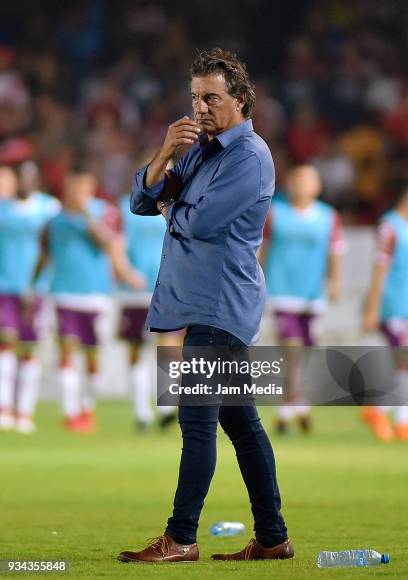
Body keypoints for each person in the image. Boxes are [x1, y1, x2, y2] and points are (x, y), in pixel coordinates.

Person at [118, 48, 293, 563]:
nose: (200, 107)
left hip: (222, 305)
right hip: (205, 304)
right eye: (195, 98)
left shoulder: (250, 156)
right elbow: (141, 201)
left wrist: (171, 199)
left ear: (239, 98)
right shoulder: (200, 147)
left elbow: (198, 222)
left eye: (211, 97)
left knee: (196, 423)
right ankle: (273, 538)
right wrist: (163, 153)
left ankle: (182, 537)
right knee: (241, 424)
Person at [35, 162, 142, 433]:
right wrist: (33, 285)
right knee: (67, 349)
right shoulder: (54, 221)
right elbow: (45, 254)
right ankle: (70, 412)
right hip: (63, 293)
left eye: (83, 187)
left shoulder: (104, 213)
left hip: (96, 295)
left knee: (93, 356)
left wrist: (85, 216)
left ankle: (87, 406)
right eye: (73, 187)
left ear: (91, 188)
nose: (78, 192)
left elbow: (108, 243)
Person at [259, 165, 343, 433]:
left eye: (308, 180)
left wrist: (334, 281)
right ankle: (287, 410)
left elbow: (335, 252)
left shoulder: (328, 217)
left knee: (305, 351)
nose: (302, 185)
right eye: (298, 179)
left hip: (312, 294)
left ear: (317, 186)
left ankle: (298, 402)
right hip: (282, 292)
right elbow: (261, 250)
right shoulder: (275, 214)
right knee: (292, 349)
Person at [0, 161, 60, 433]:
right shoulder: (2, 209)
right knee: (6, 343)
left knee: (29, 347)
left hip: (38, 289)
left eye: (29, 177)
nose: (24, 182)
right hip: (5, 287)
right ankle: (5, 408)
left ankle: (25, 410)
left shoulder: (50, 209)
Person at [118, 189, 177, 430]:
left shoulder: (180, 205)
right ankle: (141, 410)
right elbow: (116, 243)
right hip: (134, 290)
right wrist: (126, 272)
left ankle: (166, 407)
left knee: (169, 346)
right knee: (136, 348)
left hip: (167, 287)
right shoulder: (126, 207)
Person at [363, 186, 408, 441]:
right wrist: (373, 308)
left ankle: (384, 413)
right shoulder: (389, 228)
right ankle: (393, 417)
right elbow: (380, 269)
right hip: (394, 306)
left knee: (402, 364)